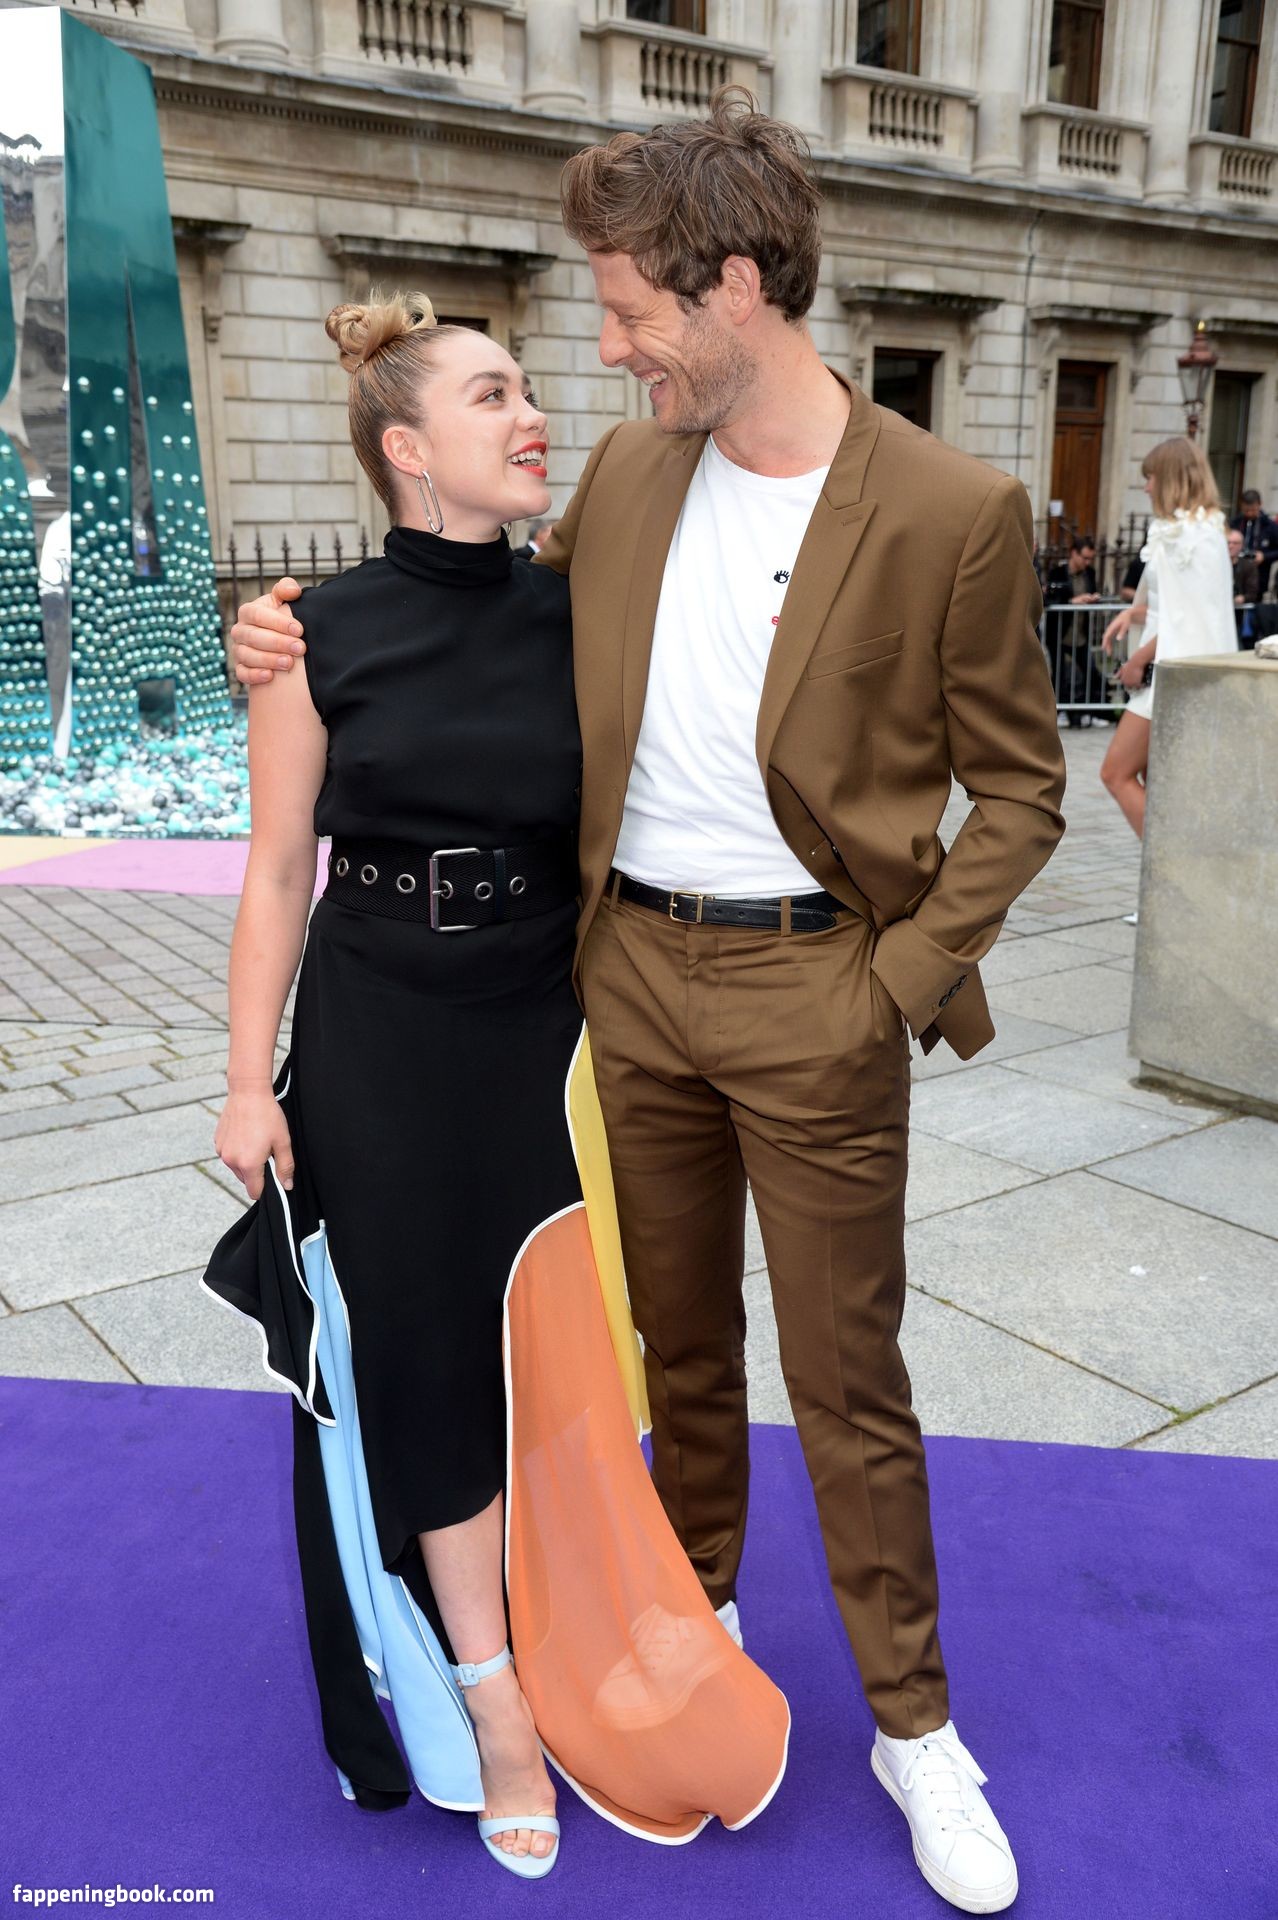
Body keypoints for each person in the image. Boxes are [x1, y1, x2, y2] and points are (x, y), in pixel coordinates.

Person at [230, 92, 1067, 1915]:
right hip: (618, 993)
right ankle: (686, 1644)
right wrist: (284, 640)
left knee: (847, 1380)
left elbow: (1022, 791)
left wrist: (890, 984)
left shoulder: (951, 508)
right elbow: (457, 632)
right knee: (674, 1356)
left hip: (816, 985)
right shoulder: (624, 476)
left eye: (625, 312)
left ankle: (914, 1730)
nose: (606, 350)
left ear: (732, 287)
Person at [203, 292, 789, 1883]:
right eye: (491, 395)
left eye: (527, 387)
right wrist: (250, 1083)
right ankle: (491, 1697)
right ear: (407, 448)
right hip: (379, 1030)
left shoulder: (575, 609)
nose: (531, 415)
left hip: (548, 1028)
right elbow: (275, 875)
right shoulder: (314, 634)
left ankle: (588, 1612)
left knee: (564, 1351)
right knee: (423, 1361)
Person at [1100, 437, 1237, 844]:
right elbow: (1173, 605)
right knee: (1157, 782)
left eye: (1151, 477)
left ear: (1172, 478)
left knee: (1115, 772)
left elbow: (1190, 618)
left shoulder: (1194, 535)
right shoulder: (1189, 530)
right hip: (1166, 671)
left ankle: (1174, 868)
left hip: (1170, 676)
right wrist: (1133, 613)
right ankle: (1170, 872)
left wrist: (1137, 660)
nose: (1145, 487)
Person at [1042, 535, 1100, 723]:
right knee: (1059, 674)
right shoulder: (1058, 573)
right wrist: (1072, 602)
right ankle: (1059, 712)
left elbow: (1092, 590)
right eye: (1084, 557)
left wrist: (1092, 599)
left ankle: (1085, 711)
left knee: (1089, 670)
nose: (1087, 562)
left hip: (1080, 633)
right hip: (1060, 633)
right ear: (1074, 553)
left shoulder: (1090, 573)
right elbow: (1049, 599)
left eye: (1090, 558)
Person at [1230, 488, 1278, 597]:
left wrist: (1264, 556)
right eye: (1246, 510)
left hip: (1259, 579)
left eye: (1253, 510)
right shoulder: (1235, 523)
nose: (1249, 513)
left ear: (1260, 505)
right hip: (1235, 576)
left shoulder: (1270, 526)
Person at [1227, 526, 1260, 647]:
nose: (1231, 546)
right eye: (1228, 542)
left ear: (1241, 545)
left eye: (1235, 543)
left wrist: (1242, 598)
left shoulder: (1248, 566)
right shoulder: (1216, 565)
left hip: (1241, 613)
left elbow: (1253, 592)